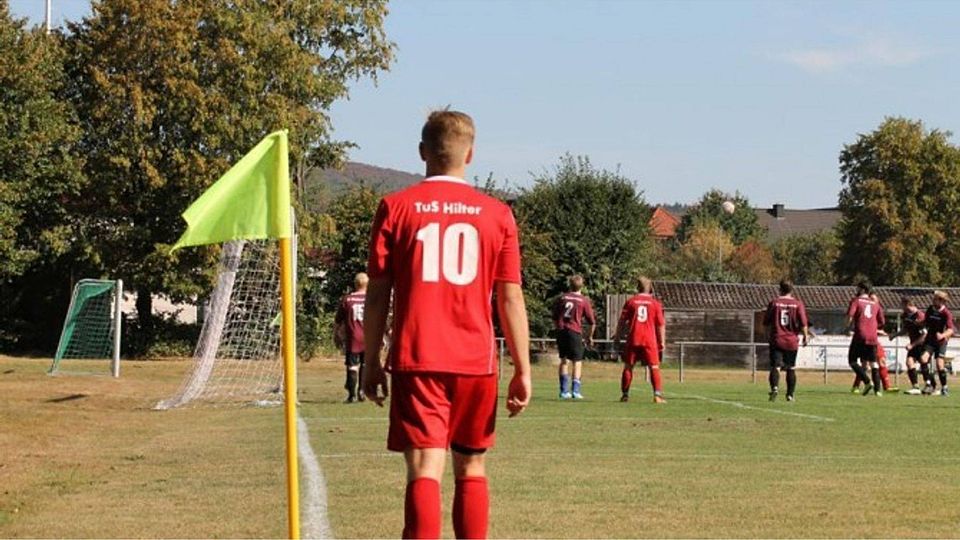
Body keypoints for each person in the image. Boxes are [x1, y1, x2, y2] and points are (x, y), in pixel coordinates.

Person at [361, 109, 531, 539]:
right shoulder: (497, 214)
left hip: (418, 356)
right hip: (476, 361)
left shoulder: (395, 207)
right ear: (470, 154)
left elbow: (377, 293)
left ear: (422, 151)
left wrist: (370, 360)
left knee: (424, 467)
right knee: (471, 465)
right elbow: (510, 297)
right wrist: (523, 369)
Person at [614, 276, 666, 404]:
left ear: (637, 287)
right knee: (654, 366)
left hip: (633, 338)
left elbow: (622, 321)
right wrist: (662, 341)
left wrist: (617, 337)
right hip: (649, 340)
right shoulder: (655, 304)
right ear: (650, 288)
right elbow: (660, 325)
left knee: (628, 366)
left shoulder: (631, 302)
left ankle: (625, 395)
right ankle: (657, 396)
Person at [763, 280, 810, 402]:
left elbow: (766, 322)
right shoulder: (798, 304)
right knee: (791, 367)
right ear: (792, 290)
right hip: (791, 341)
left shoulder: (774, 303)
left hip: (777, 339)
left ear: (780, 289)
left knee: (775, 366)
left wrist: (767, 335)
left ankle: (774, 388)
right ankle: (790, 395)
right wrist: (806, 336)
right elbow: (804, 323)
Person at [552, 275, 596, 399]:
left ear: (570, 285)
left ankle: (563, 391)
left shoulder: (562, 298)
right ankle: (575, 391)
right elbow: (592, 322)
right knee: (577, 361)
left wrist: (558, 328)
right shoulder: (583, 300)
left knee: (564, 360)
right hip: (574, 331)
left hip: (562, 331)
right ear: (582, 286)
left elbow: (554, 317)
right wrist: (589, 336)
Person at [846, 281, 885, 396]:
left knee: (852, 361)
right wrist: (872, 326)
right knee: (873, 363)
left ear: (862, 289)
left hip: (860, 335)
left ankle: (867, 382)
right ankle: (878, 390)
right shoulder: (876, 304)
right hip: (873, 337)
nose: (856, 290)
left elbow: (850, 316)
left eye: (858, 288)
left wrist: (846, 327)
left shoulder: (856, 301)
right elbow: (882, 321)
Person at [334, 272, 368, 403]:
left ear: (355, 284)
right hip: (368, 337)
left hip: (353, 337)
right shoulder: (372, 299)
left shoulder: (347, 300)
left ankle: (352, 395)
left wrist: (336, 334)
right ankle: (362, 391)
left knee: (352, 365)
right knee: (365, 364)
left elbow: (338, 320)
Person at [919, 290, 954, 396]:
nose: (933, 300)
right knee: (923, 359)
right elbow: (926, 322)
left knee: (939, 365)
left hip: (940, 342)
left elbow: (951, 330)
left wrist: (942, 335)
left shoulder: (946, 313)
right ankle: (928, 384)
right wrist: (920, 324)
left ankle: (944, 387)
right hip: (930, 340)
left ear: (941, 301)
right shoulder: (930, 309)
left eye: (935, 299)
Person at [889, 296, 926, 395]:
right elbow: (905, 329)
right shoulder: (905, 315)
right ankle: (916, 387)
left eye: (902, 305)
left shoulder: (920, 316)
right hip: (913, 344)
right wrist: (895, 335)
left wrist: (912, 345)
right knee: (909, 362)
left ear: (907, 304)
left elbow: (924, 335)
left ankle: (931, 385)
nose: (901, 307)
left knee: (924, 364)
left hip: (923, 344)